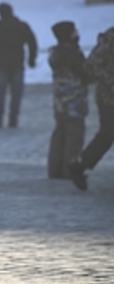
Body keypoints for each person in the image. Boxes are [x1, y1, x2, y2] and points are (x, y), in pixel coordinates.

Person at [68, 26, 114, 190]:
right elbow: (90, 65)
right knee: (107, 135)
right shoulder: (110, 39)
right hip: (108, 97)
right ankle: (78, 166)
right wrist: (110, 81)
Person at [0, 2, 38, 128]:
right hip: (17, 63)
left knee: (0, 94)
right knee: (16, 93)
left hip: (1, 64)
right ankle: (13, 118)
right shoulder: (21, 26)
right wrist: (31, 59)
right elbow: (32, 42)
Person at [46, 21, 88, 180]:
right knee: (74, 137)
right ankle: (70, 170)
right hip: (74, 102)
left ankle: (55, 169)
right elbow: (86, 74)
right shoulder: (73, 54)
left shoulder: (56, 54)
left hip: (60, 102)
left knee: (59, 135)